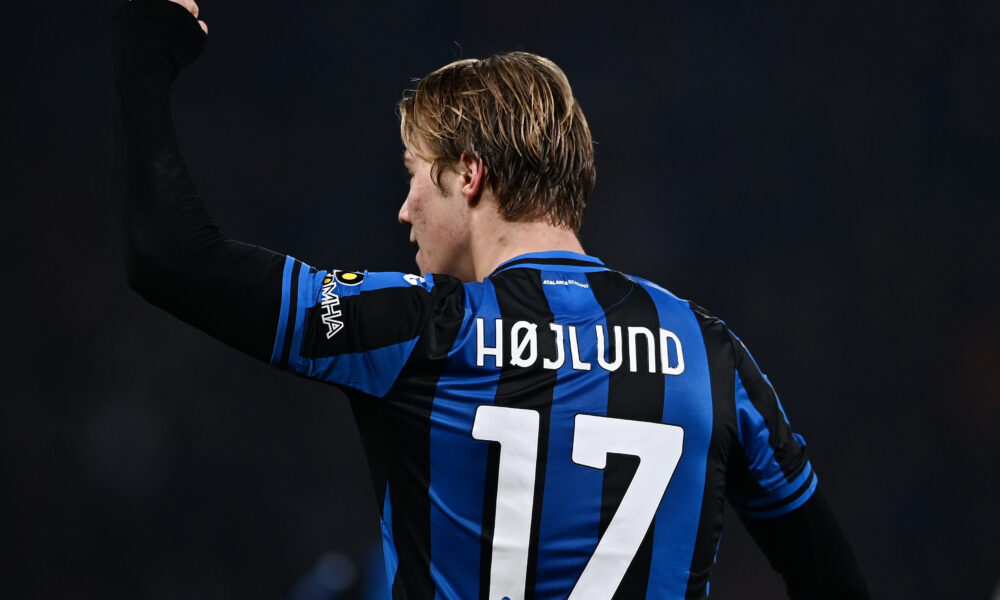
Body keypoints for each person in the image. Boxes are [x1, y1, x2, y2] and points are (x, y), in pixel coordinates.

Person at [112, 0, 870, 598]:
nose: (404, 210)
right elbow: (830, 575)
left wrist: (147, 54)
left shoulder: (419, 328)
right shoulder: (709, 353)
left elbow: (171, 259)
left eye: (414, 174)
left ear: (469, 174)